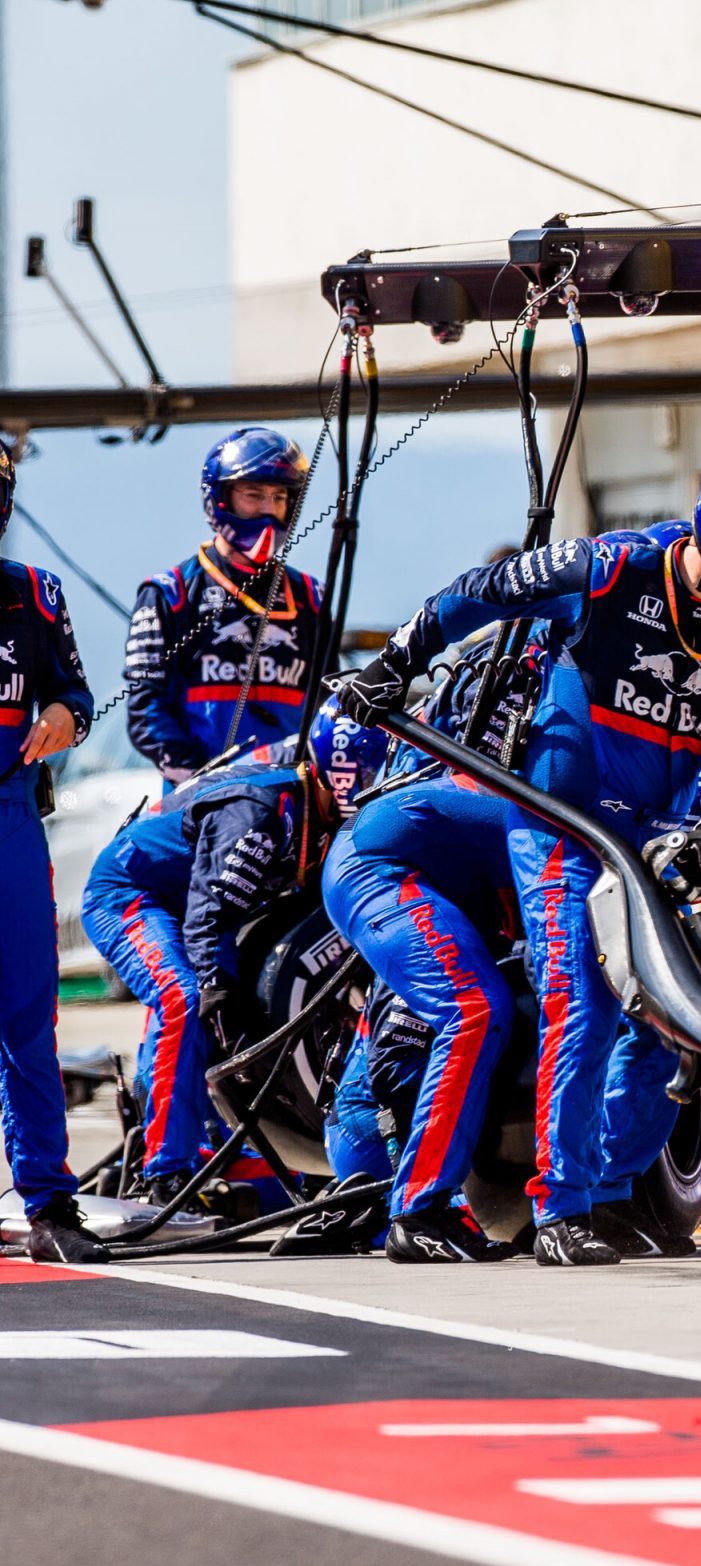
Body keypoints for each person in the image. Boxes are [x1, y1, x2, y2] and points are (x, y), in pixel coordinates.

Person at [338, 454, 701, 1265]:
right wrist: (397, 665)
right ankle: (560, 1208)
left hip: (649, 848)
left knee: (674, 1018)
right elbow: (474, 594)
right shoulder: (611, 568)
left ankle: (615, 1194)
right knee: (584, 998)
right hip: (556, 824)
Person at [79, 710, 385, 1205]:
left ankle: (225, 1155)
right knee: (185, 997)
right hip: (130, 895)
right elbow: (211, 917)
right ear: (348, 774)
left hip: (191, 905)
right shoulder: (262, 810)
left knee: (219, 1003)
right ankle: (165, 1173)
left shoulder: (316, 809)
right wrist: (219, 990)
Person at [317, 774, 519, 1262]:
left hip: (420, 875)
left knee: (485, 1008)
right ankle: (420, 1209)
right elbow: (397, 1056)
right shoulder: (568, 809)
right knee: (474, 1010)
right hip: (367, 1140)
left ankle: (424, 1198)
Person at [0, 447, 104, 1262]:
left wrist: (69, 714)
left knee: (30, 1018)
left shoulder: (35, 593)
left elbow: (75, 689)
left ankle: (49, 1204)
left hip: (9, 823)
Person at [125, 428, 327, 786]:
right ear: (219, 499)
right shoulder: (170, 592)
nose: (269, 509)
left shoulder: (311, 596)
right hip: (200, 799)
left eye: (279, 497)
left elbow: (328, 704)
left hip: (291, 794)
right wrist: (199, 782)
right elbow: (145, 708)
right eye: (253, 495)